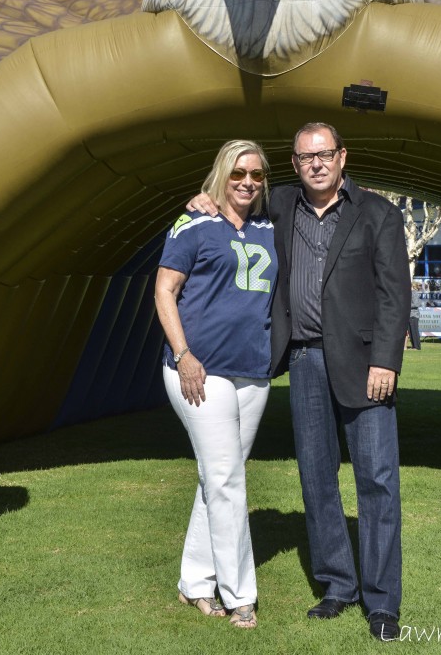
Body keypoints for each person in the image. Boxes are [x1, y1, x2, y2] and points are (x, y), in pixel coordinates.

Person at [189, 122, 410, 642]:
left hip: (365, 364)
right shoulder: (279, 206)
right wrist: (204, 197)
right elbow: (235, 200)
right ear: (294, 164)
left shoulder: (378, 213)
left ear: (341, 157)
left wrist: (386, 361)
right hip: (306, 360)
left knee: (378, 481)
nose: (316, 163)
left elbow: (394, 295)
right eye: (306, 156)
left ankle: (382, 604)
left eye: (325, 154)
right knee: (316, 479)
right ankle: (337, 586)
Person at [155, 140, 277, 629]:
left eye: (257, 175)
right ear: (221, 174)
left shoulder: (272, 225)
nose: (248, 182)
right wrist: (184, 355)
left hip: (253, 372)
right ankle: (239, 593)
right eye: (238, 173)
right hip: (200, 370)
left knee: (217, 478)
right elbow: (165, 289)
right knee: (227, 480)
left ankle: (193, 581)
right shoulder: (194, 223)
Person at [407, 282, 422, 350]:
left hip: (414, 314)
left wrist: (406, 306)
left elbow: (416, 304)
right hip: (410, 315)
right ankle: (413, 345)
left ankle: (417, 346)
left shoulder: (414, 293)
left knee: (414, 331)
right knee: (410, 331)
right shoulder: (411, 293)